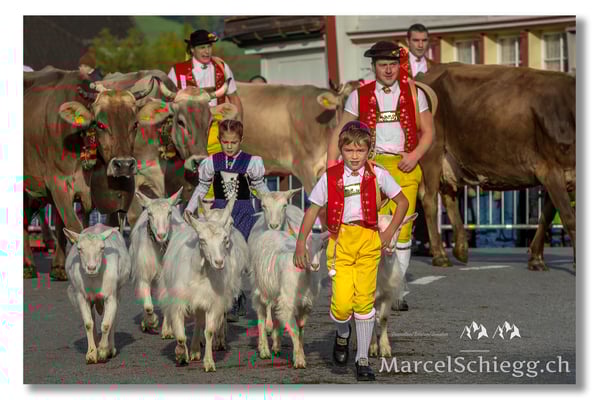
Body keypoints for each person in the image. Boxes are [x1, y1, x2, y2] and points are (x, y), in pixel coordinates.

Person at [294, 121, 409, 381]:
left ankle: (363, 359)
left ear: (368, 150)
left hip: (369, 240)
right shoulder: (330, 177)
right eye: (349, 150)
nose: (355, 156)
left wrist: (389, 232)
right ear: (341, 150)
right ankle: (343, 334)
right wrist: (301, 243)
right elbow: (312, 209)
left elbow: (402, 201)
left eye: (360, 151)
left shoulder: (378, 174)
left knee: (364, 301)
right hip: (341, 241)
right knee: (343, 304)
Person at [327, 41, 435, 313]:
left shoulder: (414, 93)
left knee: (402, 228)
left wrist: (415, 155)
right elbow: (341, 131)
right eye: (383, 65)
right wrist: (331, 166)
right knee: (370, 225)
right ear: (373, 67)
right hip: (370, 166)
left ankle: (395, 289)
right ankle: (371, 284)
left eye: (393, 64)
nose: (388, 70)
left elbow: (429, 131)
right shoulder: (359, 95)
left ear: (400, 66)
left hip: (404, 164)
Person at [184, 119, 269, 321]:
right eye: (225, 142)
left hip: (243, 211)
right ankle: (227, 297)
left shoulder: (251, 162)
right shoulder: (212, 162)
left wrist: (271, 202)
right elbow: (202, 187)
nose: (229, 146)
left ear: (241, 140)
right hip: (219, 214)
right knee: (221, 253)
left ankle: (238, 294)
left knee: (239, 255)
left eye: (234, 142)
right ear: (219, 140)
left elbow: (259, 187)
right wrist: (189, 208)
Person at [168, 29, 244, 200]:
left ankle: (222, 205)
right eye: (202, 47)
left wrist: (239, 127)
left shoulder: (222, 68)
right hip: (189, 125)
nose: (207, 51)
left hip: (216, 122)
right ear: (192, 49)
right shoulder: (177, 71)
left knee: (221, 168)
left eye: (209, 47)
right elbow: (169, 101)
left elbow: (234, 98)